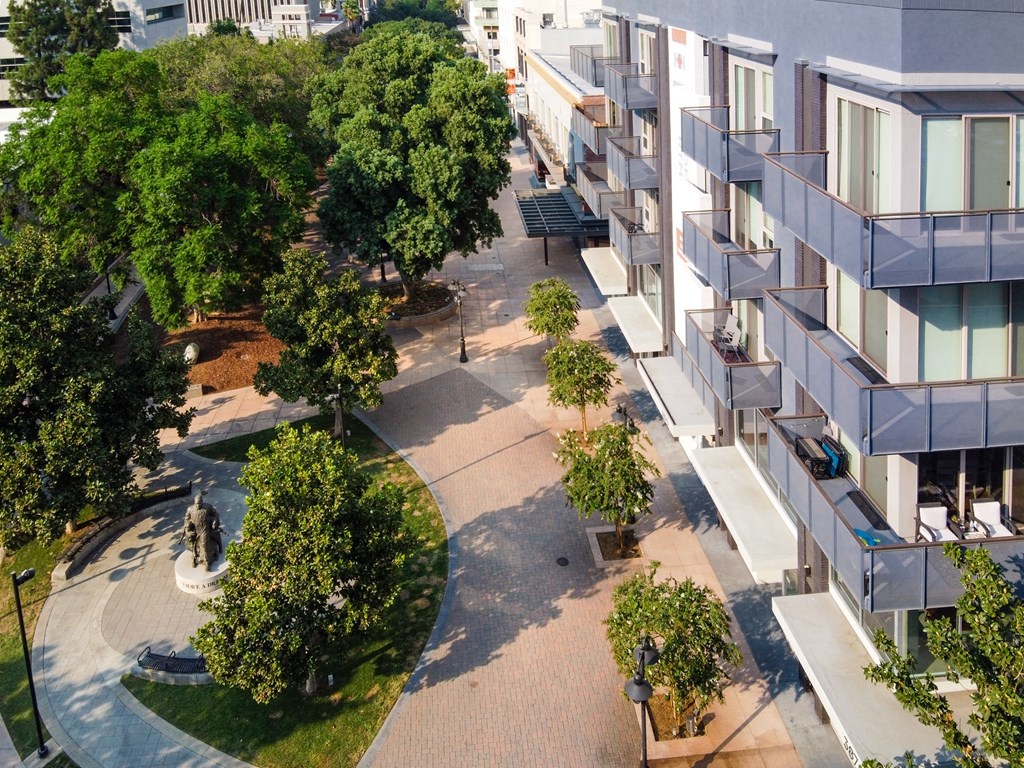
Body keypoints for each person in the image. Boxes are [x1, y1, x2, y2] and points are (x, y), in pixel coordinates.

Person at [183, 492, 223, 570]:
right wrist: (188, 528)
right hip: (195, 529)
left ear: (202, 502)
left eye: (199, 503)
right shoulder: (190, 509)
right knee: (191, 543)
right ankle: (195, 557)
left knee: (204, 544)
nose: (198, 505)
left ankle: (207, 561)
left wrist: (215, 521)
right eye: (196, 504)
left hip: (205, 529)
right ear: (194, 503)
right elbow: (186, 520)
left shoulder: (207, 507)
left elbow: (215, 514)